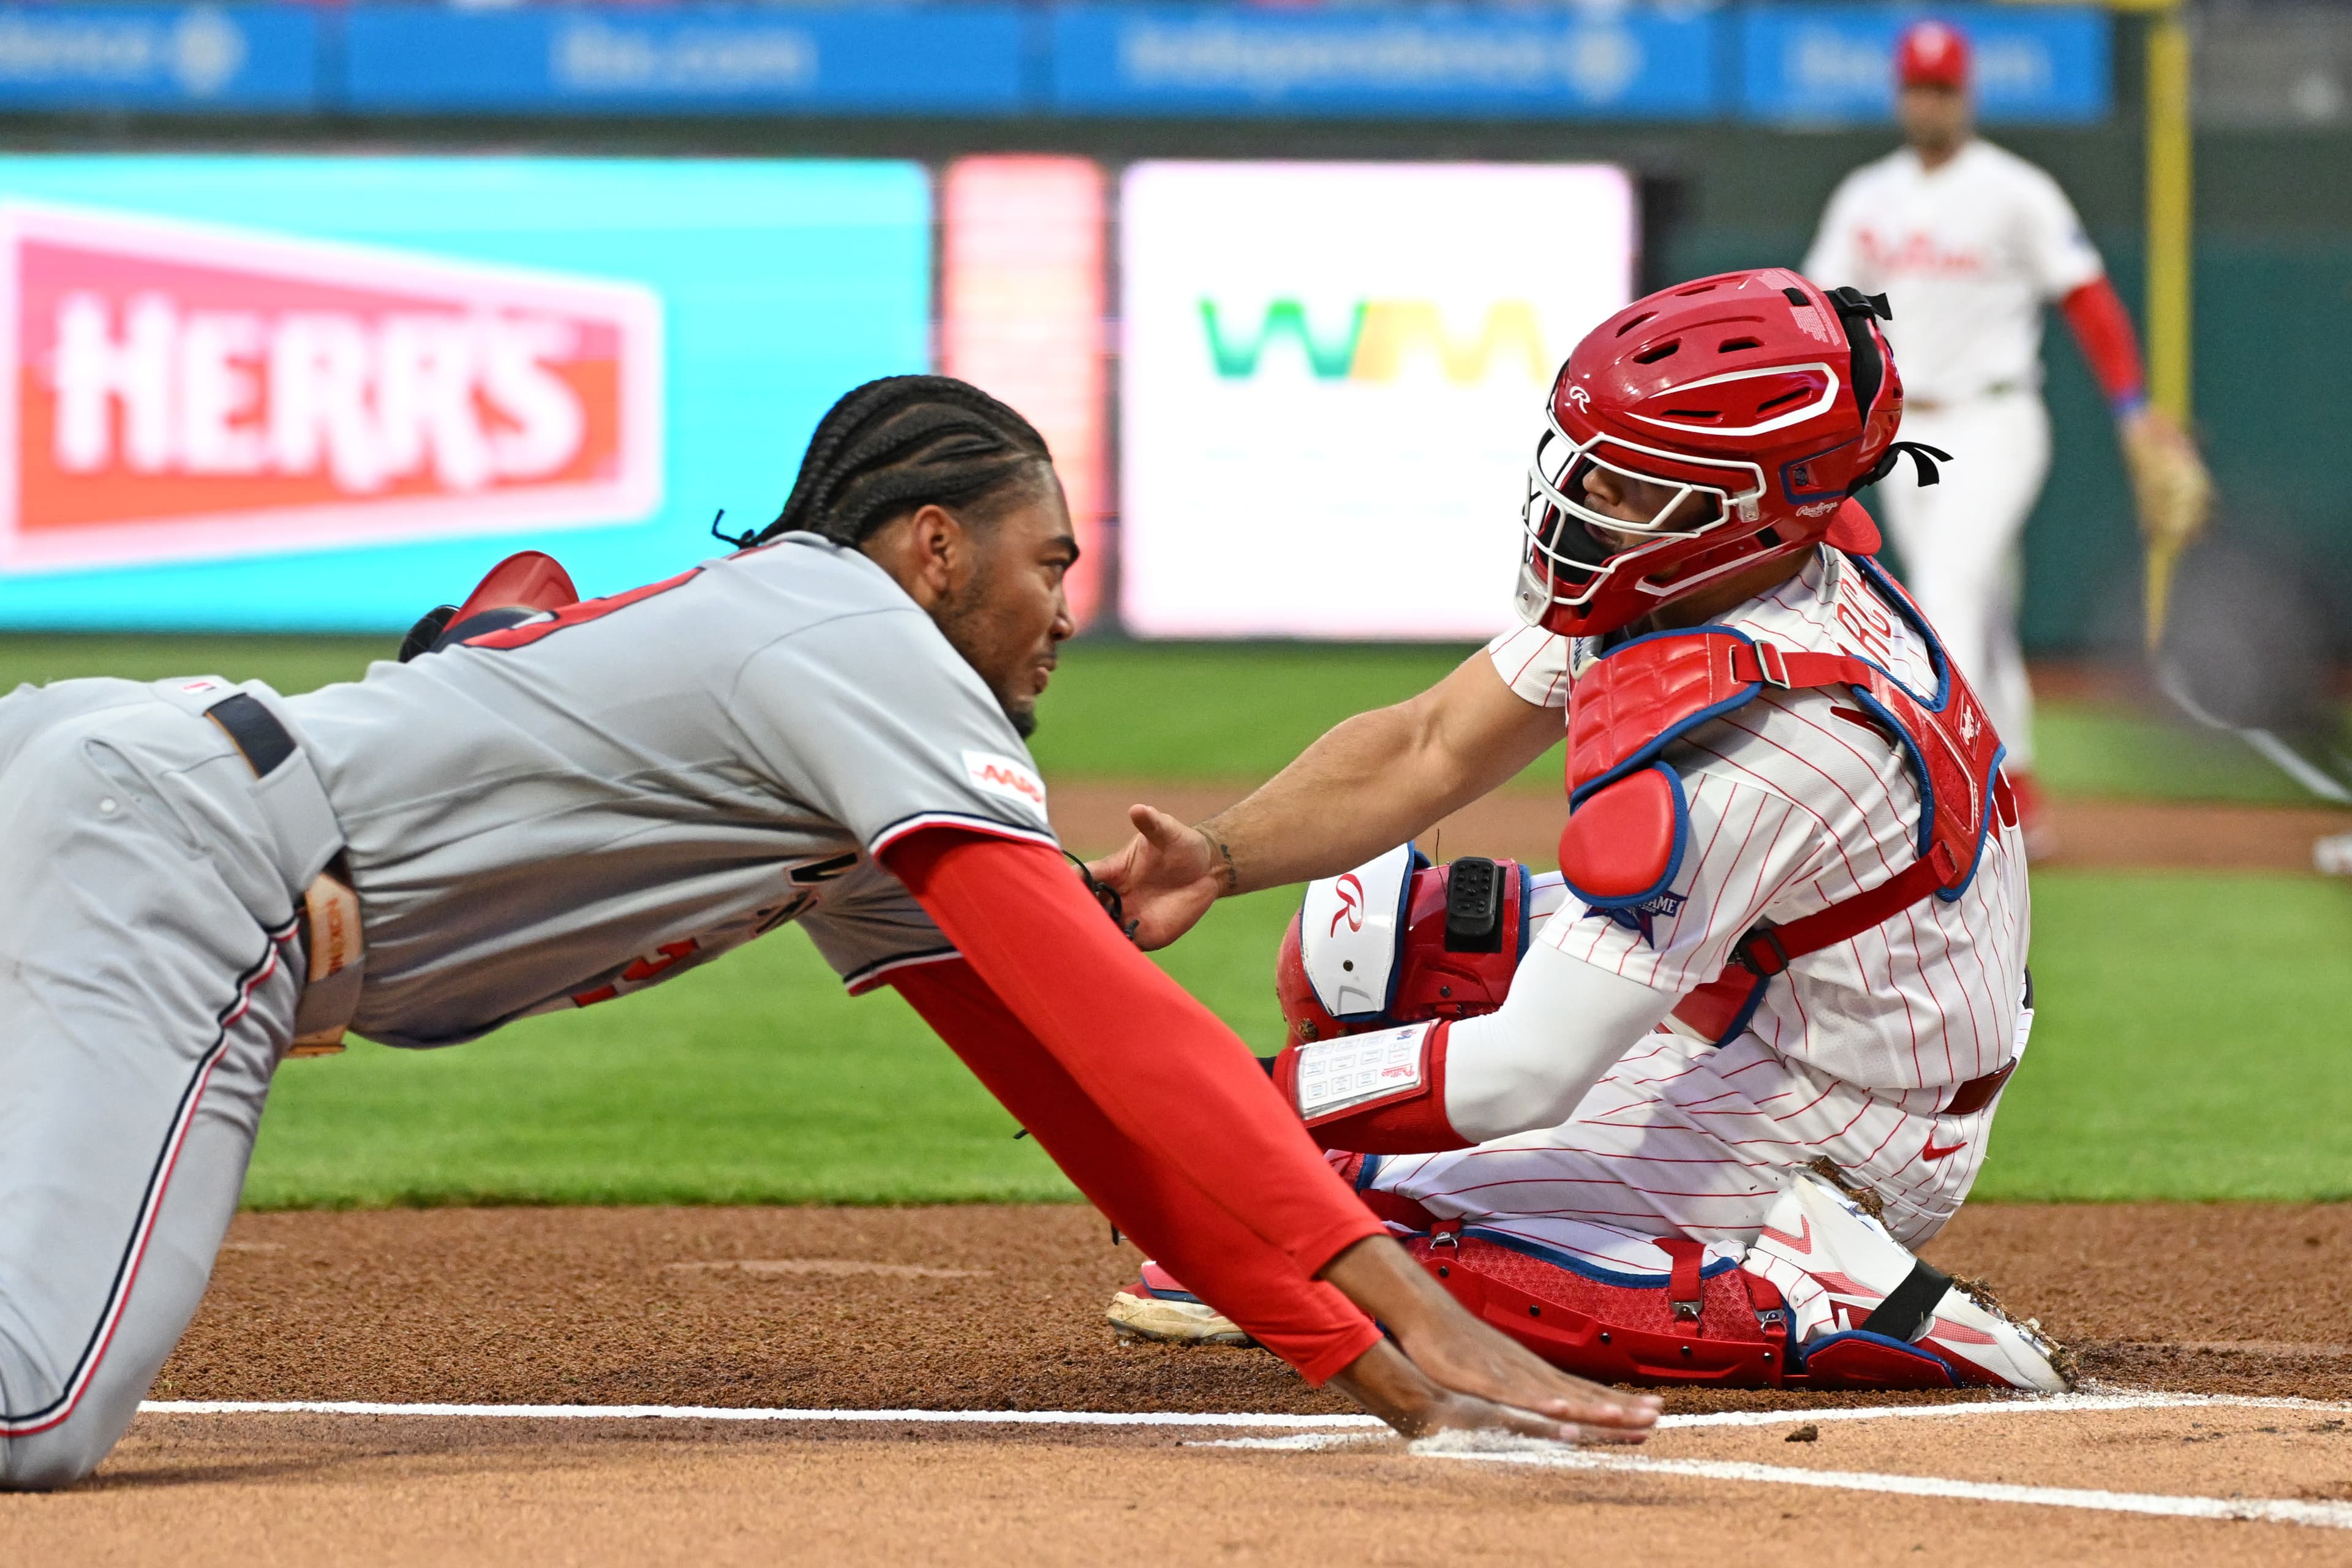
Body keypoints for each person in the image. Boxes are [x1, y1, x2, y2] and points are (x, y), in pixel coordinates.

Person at [0, 375, 1660, 1490]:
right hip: (189, 862)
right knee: (42, 1409)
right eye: (1046, 561)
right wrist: (1414, 1309)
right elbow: (1122, 1018)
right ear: (932, 551)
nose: (1065, 606)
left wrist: (1336, 1342)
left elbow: (1077, 1087)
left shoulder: (824, 731)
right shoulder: (855, 645)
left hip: (129, 789)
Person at [1089, 273, 2068, 1393]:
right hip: (1768, 999)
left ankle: (1820, 1284)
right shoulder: (1711, 584)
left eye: (1628, 479)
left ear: (1738, 506)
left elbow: (1524, 1072)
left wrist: (1219, 1101)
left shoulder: (1781, 736)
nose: (1582, 493)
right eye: (1585, 459)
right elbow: (1429, 746)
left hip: (1845, 1122)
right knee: (1357, 943)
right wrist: (1213, 860)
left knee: (1349, 1240)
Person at [1800, 17, 2211, 856]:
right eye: (1918, 87)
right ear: (1900, 92)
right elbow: (1818, 306)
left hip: (1997, 420)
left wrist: (2134, 411)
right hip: (1905, 431)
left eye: (1944, 88)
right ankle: (2021, 791)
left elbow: (2089, 300)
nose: (1930, 101)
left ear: (1968, 94)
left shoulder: (2015, 190)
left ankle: (1960, 797)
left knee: (1946, 593)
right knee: (1978, 611)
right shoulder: (1867, 195)